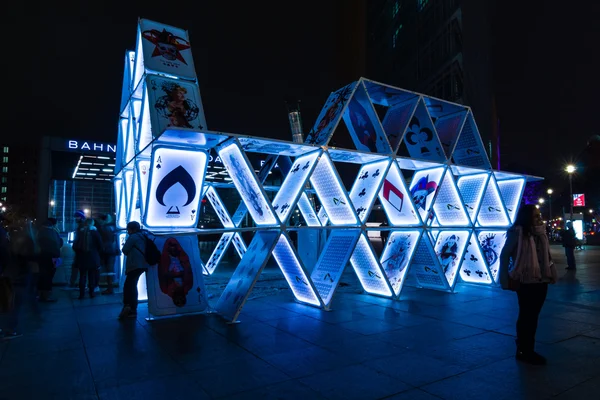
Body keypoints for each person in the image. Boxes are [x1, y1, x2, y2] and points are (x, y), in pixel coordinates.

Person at [499, 204, 558, 365]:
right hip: (525, 281)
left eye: (539, 215)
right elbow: (504, 256)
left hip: (541, 280)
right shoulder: (517, 233)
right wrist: (504, 278)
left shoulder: (541, 233)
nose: (539, 218)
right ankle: (525, 349)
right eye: (535, 216)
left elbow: (547, 256)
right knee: (527, 316)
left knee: (533, 316)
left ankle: (525, 347)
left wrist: (552, 272)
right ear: (526, 217)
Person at [120, 221, 149, 319]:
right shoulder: (143, 235)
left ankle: (130, 307)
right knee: (132, 285)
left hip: (134, 265)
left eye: (128, 229)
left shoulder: (133, 237)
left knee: (129, 286)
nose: (127, 231)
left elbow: (124, 250)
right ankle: (132, 308)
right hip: (143, 264)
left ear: (131, 229)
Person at [73, 219, 103, 299]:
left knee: (82, 275)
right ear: (93, 224)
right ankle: (91, 293)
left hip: (81, 257)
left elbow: (74, 246)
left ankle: (81, 294)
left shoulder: (80, 232)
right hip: (93, 257)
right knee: (91, 275)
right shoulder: (95, 233)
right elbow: (100, 245)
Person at [36, 218, 63, 302]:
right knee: (49, 276)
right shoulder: (54, 232)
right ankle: (46, 295)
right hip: (53, 257)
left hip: (43, 257)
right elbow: (59, 243)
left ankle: (40, 294)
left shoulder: (40, 232)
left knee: (43, 275)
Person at [97, 214, 120, 294]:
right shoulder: (114, 227)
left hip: (105, 251)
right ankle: (110, 288)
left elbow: (101, 241)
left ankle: (109, 288)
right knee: (110, 270)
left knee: (106, 270)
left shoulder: (103, 228)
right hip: (112, 251)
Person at [69, 210, 87, 288]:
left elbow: (80, 239)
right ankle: (80, 284)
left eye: (77, 217)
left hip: (80, 250)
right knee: (79, 268)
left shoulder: (81, 226)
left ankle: (74, 283)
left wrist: (75, 245)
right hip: (81, 250)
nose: (76, 218)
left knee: (76, 267)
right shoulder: (82, 226)